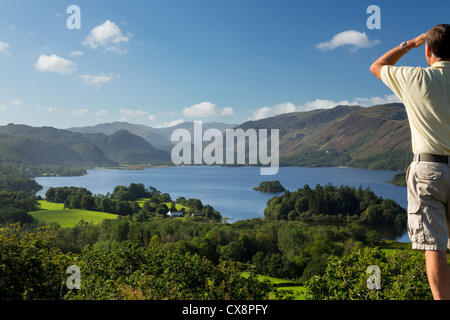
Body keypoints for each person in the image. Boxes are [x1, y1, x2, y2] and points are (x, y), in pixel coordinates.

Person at [370, 24, 450, 300]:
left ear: (428, 50)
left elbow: (377, 65)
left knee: (434, 246)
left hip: (429, 170)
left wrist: (409, 44)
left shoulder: (414, 78)